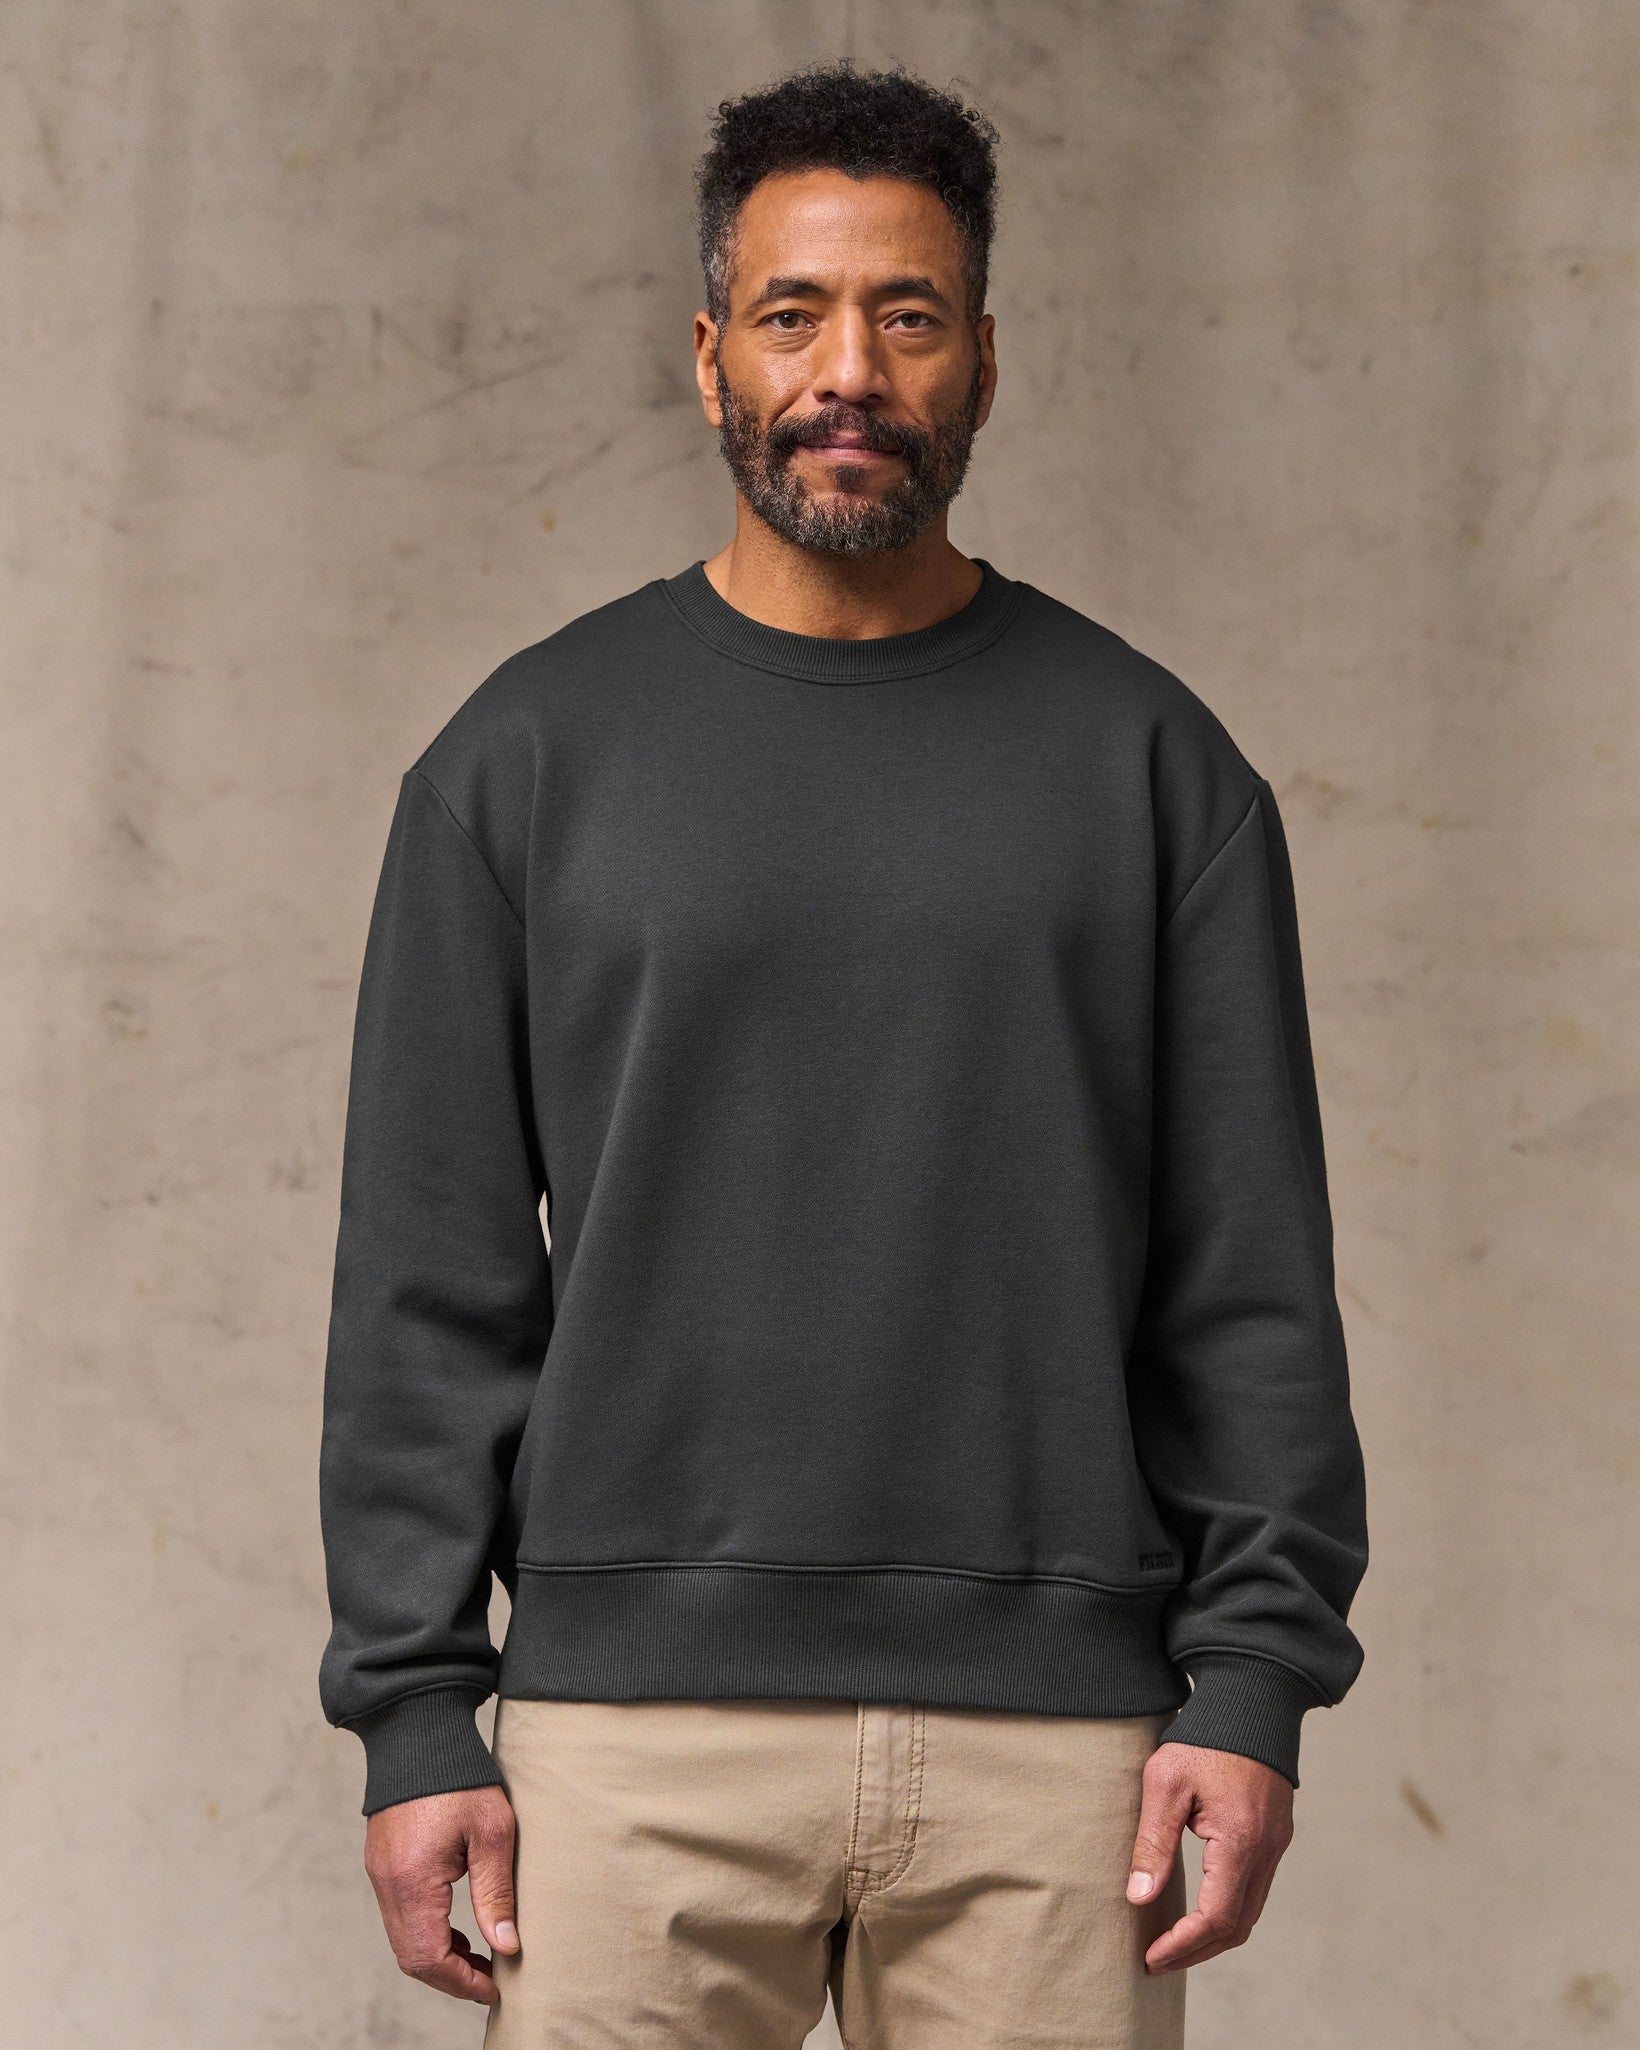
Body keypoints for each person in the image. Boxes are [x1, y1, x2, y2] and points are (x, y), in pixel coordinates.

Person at [317, 58, 1368, 2050]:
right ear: (708, 350)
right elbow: (425, 1287)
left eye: (909, 315)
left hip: (1060, 1760)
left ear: (987, 357)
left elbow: (1247, 1281)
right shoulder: (523, 762)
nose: (850, 372)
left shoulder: (1154, 768)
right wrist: (415, 1705)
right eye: (793, 314)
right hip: (626, 1747)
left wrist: (1251, 1682)